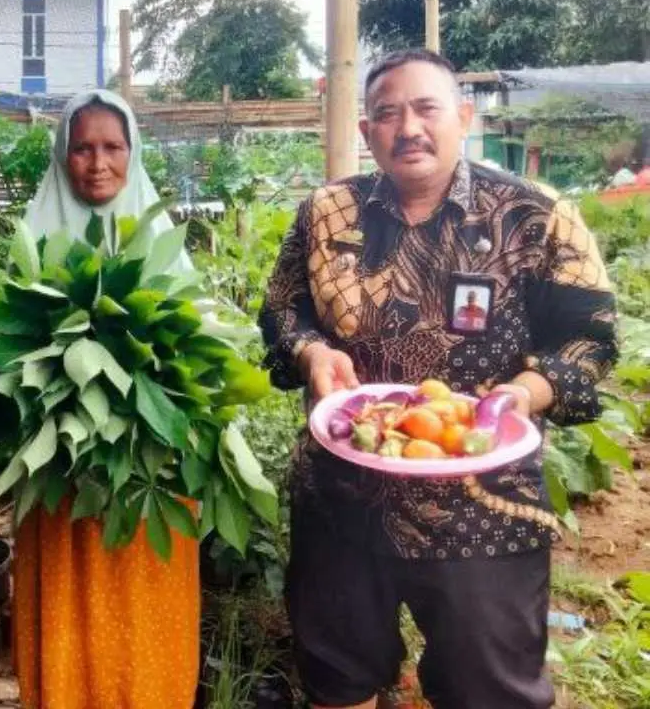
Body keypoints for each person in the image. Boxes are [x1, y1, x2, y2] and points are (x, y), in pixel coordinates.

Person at [260, 49, 618, 709]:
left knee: (489, 690)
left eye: (426, 108)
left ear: (462, 116)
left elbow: (589, 336)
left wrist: (526, 392)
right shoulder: (327, 212)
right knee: (337, 676)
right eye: (388, 113)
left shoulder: (534, 215)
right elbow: (284, 307)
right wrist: (311, 353)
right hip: (342, 495)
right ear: (367, 133)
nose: (408, 128)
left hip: (485, 505)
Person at [13, 89, 200, 709]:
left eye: (113, 147)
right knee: (70, 598)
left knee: (145, 596)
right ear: (62, 156)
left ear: (133, 152)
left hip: (153, 476)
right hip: (60, 477)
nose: (98, 162)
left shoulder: (161, 242)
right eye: (83, 148)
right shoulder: (33, 242)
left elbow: (195, 357)